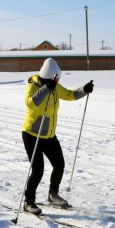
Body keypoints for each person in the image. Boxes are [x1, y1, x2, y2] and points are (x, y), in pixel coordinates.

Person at [21, 58, 94, 214]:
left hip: (49, 135)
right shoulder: (32, 86)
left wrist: (84, 90)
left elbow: (69, 95)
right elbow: (31, 103)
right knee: (38, 169)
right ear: (52, 76)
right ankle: (28, 202)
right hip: (32, 134)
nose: (59, 80)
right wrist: (47, 88)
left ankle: (53, 194)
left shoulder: (56, 87)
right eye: (57, 77)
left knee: (59, 164)